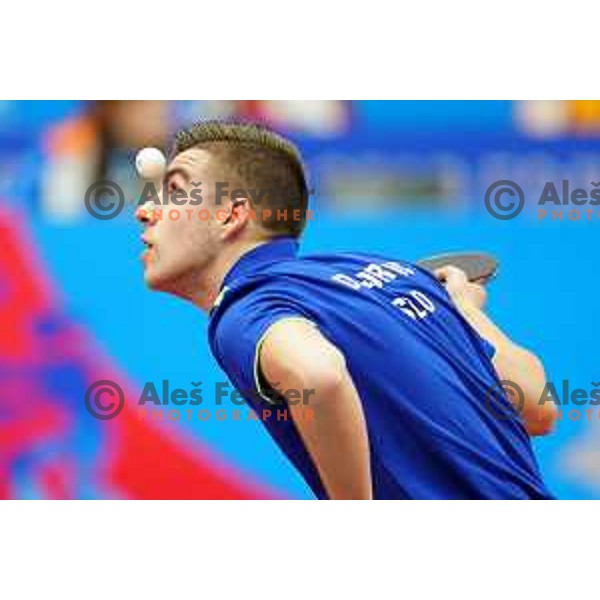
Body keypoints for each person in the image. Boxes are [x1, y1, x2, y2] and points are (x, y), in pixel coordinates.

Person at [136, 120, 557, 499]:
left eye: (175, 191)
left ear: (230, 216)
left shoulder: (248, 305)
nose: (144, 211)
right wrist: (466, 310)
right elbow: (537, 406)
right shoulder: (391, 273)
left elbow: (318, 376)